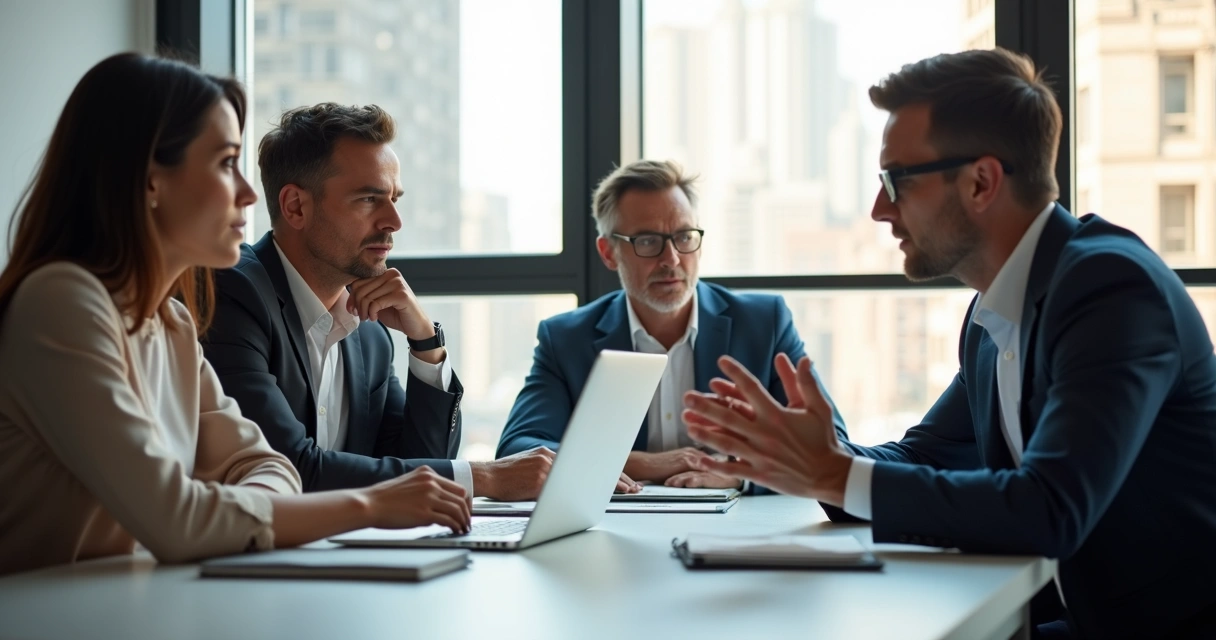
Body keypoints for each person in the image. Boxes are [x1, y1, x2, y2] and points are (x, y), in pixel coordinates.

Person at [681, 48, 1216, 638]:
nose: (879, 209)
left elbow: (1050, 510)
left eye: (896, 180)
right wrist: (806, 459)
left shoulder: (1110, 289)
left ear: (981, 182)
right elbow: (922, 454)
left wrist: (834, 475)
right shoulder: (992, 314)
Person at [0, 54, 473, 577]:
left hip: (137, 608)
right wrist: (372, 505)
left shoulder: (173, 325)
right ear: (150, 180)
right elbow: (177, 519)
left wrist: (426, 343)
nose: (249, 194)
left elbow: (267, 467)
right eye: (226, 163)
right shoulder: (60, 304)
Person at [201, 103, 588, 501]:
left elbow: (418, 462)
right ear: (296, 206)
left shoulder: (369, 332)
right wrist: (484, 478)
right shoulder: (233, 294)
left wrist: (425, 343)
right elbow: (288, 469)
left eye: (394, 199)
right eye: (369, 200)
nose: (393, 222)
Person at [497, 160, 844, 490]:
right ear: (608, 252)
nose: (672, 259)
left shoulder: (764, 323)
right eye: (648, 241)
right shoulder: (566, 339)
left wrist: (739, 476)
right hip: (621, 529)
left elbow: (831, 446)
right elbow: (518, 451)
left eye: (684, 237)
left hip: (739, 526)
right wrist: (644, 463)